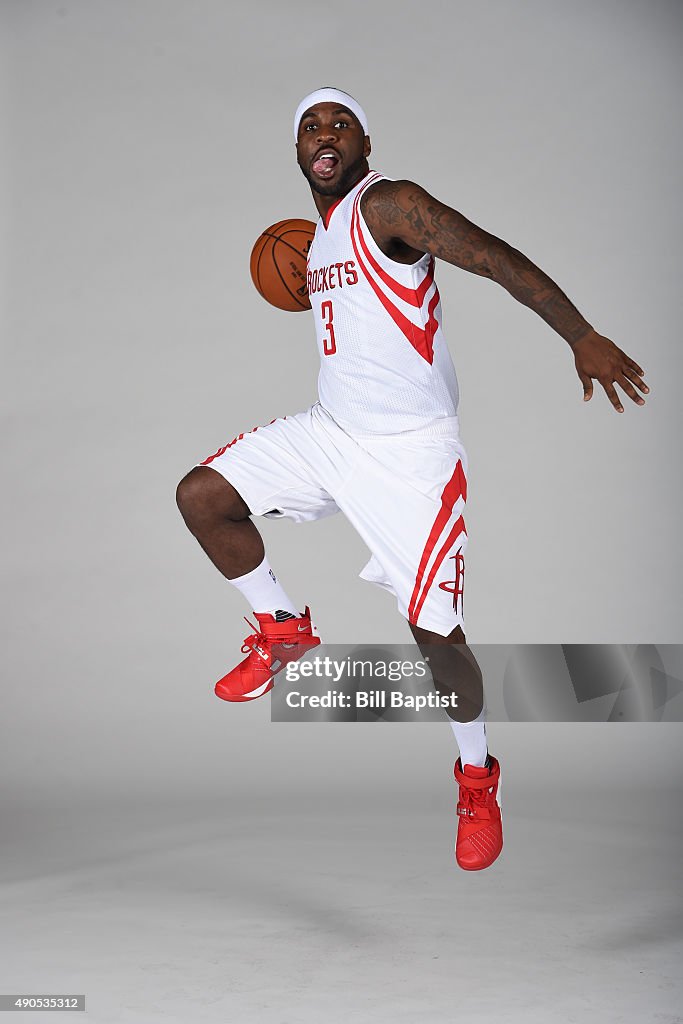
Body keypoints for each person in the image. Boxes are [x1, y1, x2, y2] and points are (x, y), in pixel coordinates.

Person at [176, 88, 648, 871]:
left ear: (364, 140)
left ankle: (475, 775)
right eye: (309, 128)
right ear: (297, 153)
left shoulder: (388, 205)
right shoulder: (315, 239)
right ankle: (283, 628)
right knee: (203, 497)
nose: (323, 134)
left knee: (435, 637)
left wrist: (581, 334)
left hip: (409, 454)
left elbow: (493, 255)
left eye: (338, 123)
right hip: (329, 433)